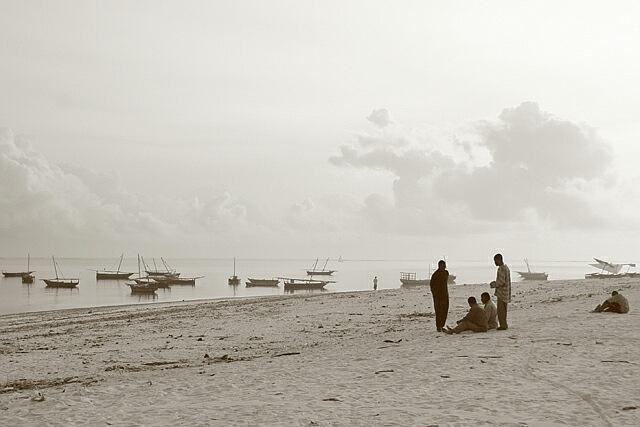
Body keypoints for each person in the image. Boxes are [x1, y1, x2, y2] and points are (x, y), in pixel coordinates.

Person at [490, 253, 511, 330]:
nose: (495, 263)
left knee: (501, 310)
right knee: (503, 310)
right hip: (505, 292)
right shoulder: (506, 268)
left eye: (495, 261)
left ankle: (503, 325)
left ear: (499, 260)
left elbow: (501, 282)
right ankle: (504, 324)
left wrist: (494, 284)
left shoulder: (502, 269)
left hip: (502, 292)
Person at [430, 260, 449, 332]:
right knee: (438, 311)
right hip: (438, 296)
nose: (444, 267)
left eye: (445, 265)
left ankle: (442, 325)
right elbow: (432, 285)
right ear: (439, 266)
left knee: (445, 310)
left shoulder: (446, 273)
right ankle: (438, 326)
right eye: (443, 265)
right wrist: (435, 294)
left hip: (445, 294)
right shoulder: (435, 275)